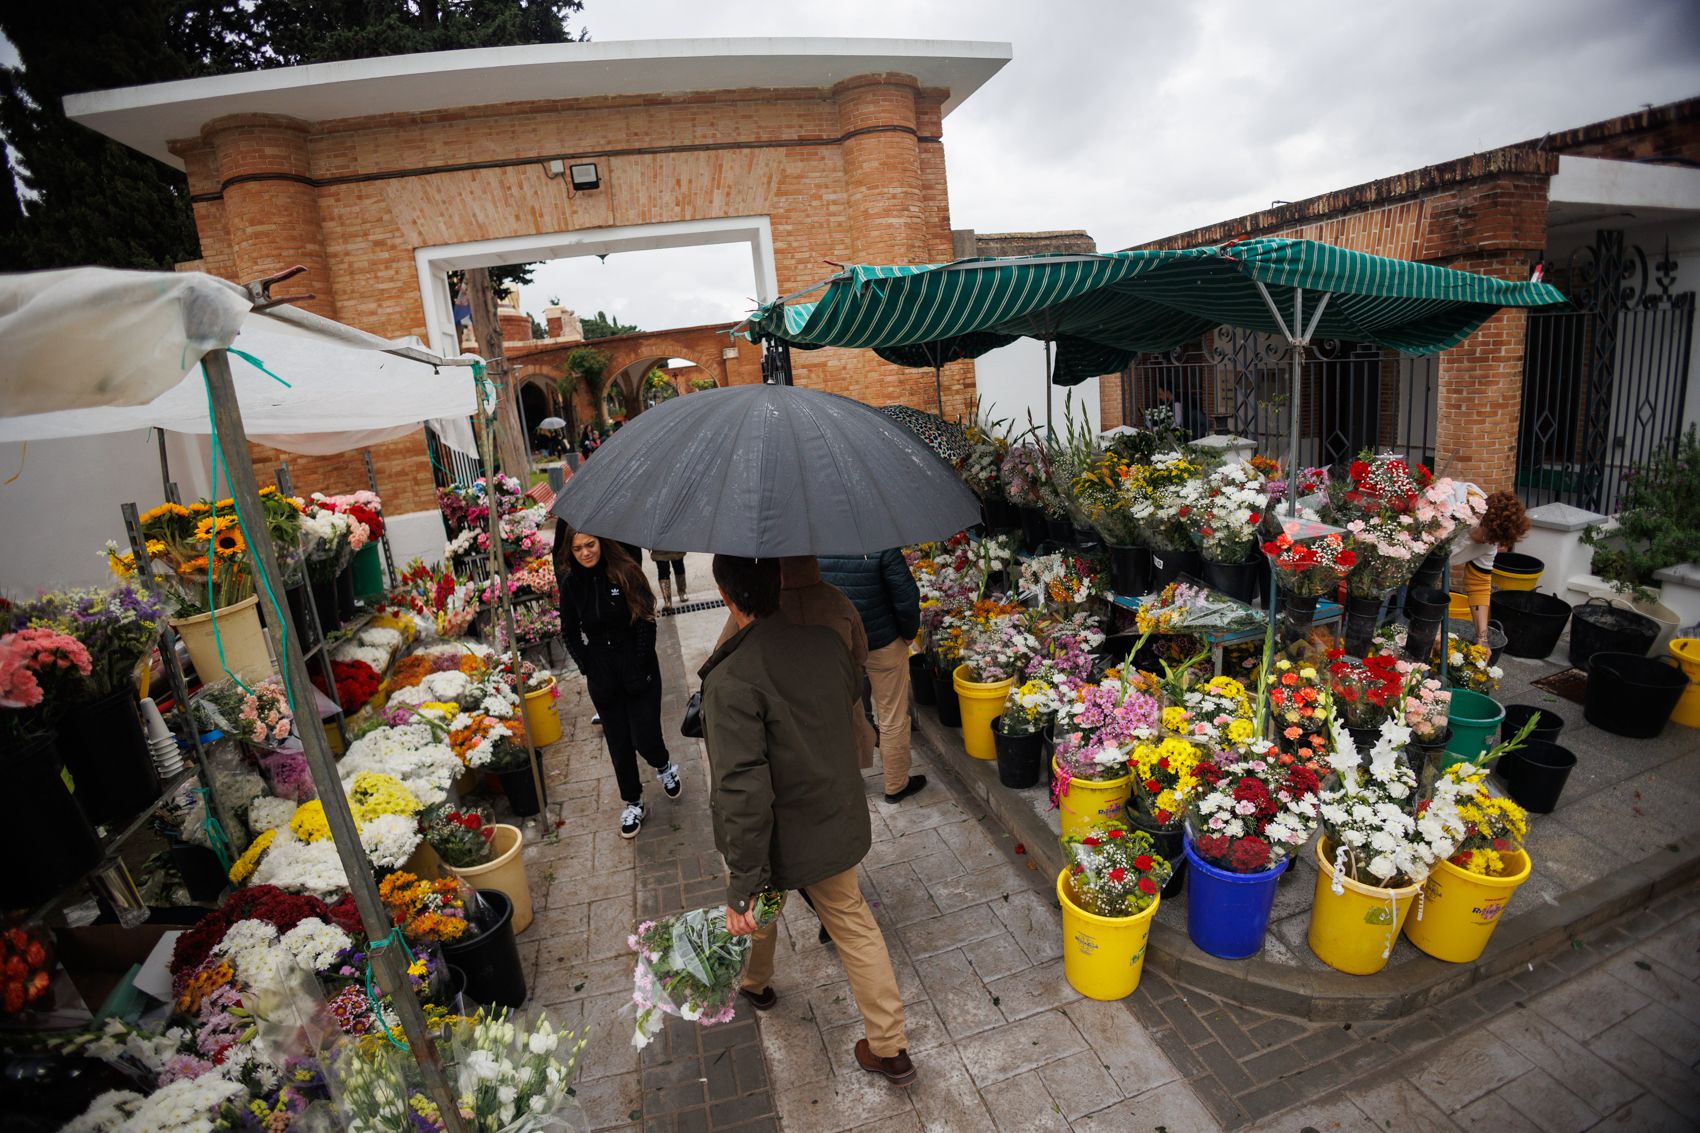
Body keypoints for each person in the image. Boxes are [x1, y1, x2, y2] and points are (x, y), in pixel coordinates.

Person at [700, 555, 916, 1087]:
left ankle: (755, 983)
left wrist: (744, 879)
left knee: (757, 907)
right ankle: (890, 1048)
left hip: (774, 831)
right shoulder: (824, 641)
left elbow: (741, 789)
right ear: (776, 582)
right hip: (828, 815)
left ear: (726, 596)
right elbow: (844, 698)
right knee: (853, 921)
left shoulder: (730, 679)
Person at [553, 522, 681, 838]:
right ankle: (633, 801)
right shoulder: (571, 584)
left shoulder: (625, 570)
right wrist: (587, 666)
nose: (585, 552)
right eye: (578, 547)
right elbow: (569, 631)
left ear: (602, 542)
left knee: (645, 737)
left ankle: (663, 764)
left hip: (637, 664)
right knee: (619, 742)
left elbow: (646, 619)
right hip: (602, 672)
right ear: (570, 549)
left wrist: (638, 662)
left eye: (590, 545)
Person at [818, 548, 926, 805]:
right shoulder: (880, 541)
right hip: (883, 641)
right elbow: (906, 595)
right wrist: (909, 632)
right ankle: (896, 784)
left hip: (841, 642)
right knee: (892, 715)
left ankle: (850, 777)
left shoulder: (816, 541)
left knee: (846, 711)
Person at [1449, 487, 1531, 640]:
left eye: (1492, 540)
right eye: (1486, 535)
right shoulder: (1452, 502)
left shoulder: (1491, 542)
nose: (1486, 542)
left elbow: (1478, 585)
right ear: (1481, 518)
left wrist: (1482, 638)